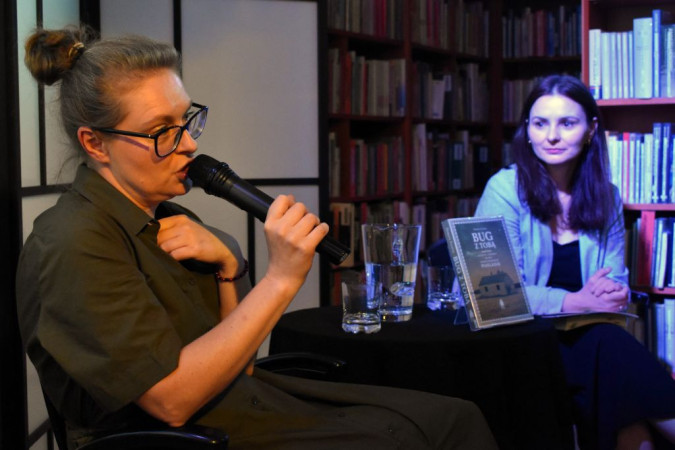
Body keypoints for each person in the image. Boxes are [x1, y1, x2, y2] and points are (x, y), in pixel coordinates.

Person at [15, 26, 497, 450]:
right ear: (95, 143)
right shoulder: (72, 241)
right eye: (162, 131)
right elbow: (171, 401)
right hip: (180, 436)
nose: (189, 143)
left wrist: (231, 266)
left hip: (240, 402)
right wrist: (280, 279)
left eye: (186, 120)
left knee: (453, 415)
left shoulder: (170, 217)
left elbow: (239, 365)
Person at [473, 74, 675, 450]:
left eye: (567, 123)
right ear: (527, 130)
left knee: (615, 372)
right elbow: (493, 294)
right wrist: (574, 301)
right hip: (520, 340)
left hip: (588, 339)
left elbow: (615, 279)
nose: (551, 136)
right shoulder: (504, 189)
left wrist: (614, 293)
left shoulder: (607, 196)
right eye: (540, 123)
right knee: (611, 351)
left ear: (590, 130)